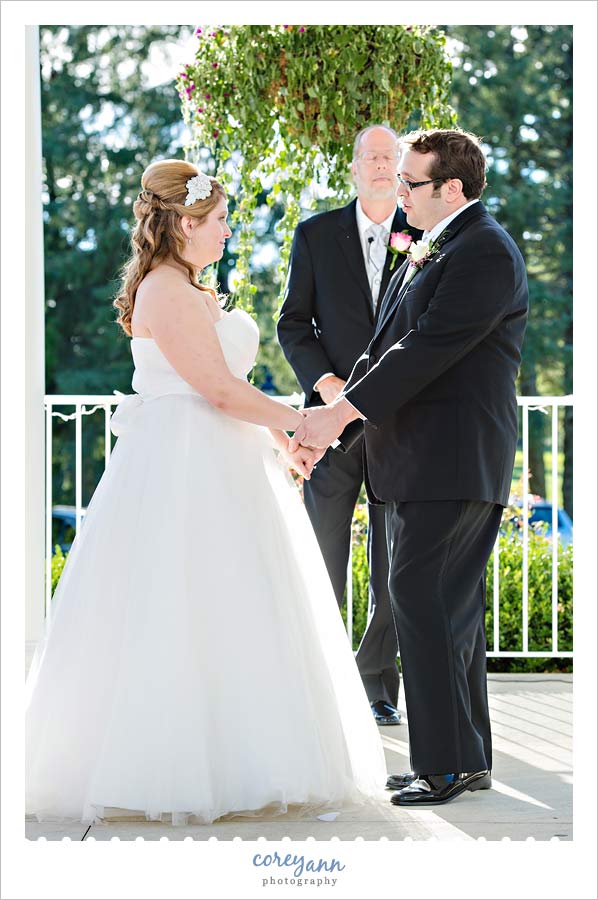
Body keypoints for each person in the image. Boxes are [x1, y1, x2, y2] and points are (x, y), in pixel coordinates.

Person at [25, 159, 387, 826]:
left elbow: (222, 390)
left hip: (221, 452)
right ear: (186, 222)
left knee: (235, 599)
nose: (227, 231)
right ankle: (175, 768)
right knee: (180, 600)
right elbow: (215, 389)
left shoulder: (189, 285)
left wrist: (284, 444)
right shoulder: (163, 289)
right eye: (219, 220)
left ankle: (248, 758)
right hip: (180, 462)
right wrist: (301, 421)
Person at [290, 129, 528, 806]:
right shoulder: (432, 246)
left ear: (452, 188)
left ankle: (445, 765)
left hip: (451, 460)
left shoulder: (483, 250)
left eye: (412, 183)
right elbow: (380, 348)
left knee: (422, 603)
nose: (399, 193)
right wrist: (328, 433)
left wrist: (334, 416)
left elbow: (426, 351)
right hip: (418, 461)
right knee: (444, 609)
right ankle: (464, 757)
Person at [277, 125, 422, 726]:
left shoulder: (425, 237)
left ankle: (375, 685)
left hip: (400, 423)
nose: (383, 165)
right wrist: (329, 387)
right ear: (355, 167)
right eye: (373, 156)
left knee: (394, 563)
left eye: (393, 157)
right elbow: (293, 324)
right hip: (330, 424)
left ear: (402, 168)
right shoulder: (314, 235)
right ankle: (321, 684)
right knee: (323, 552)